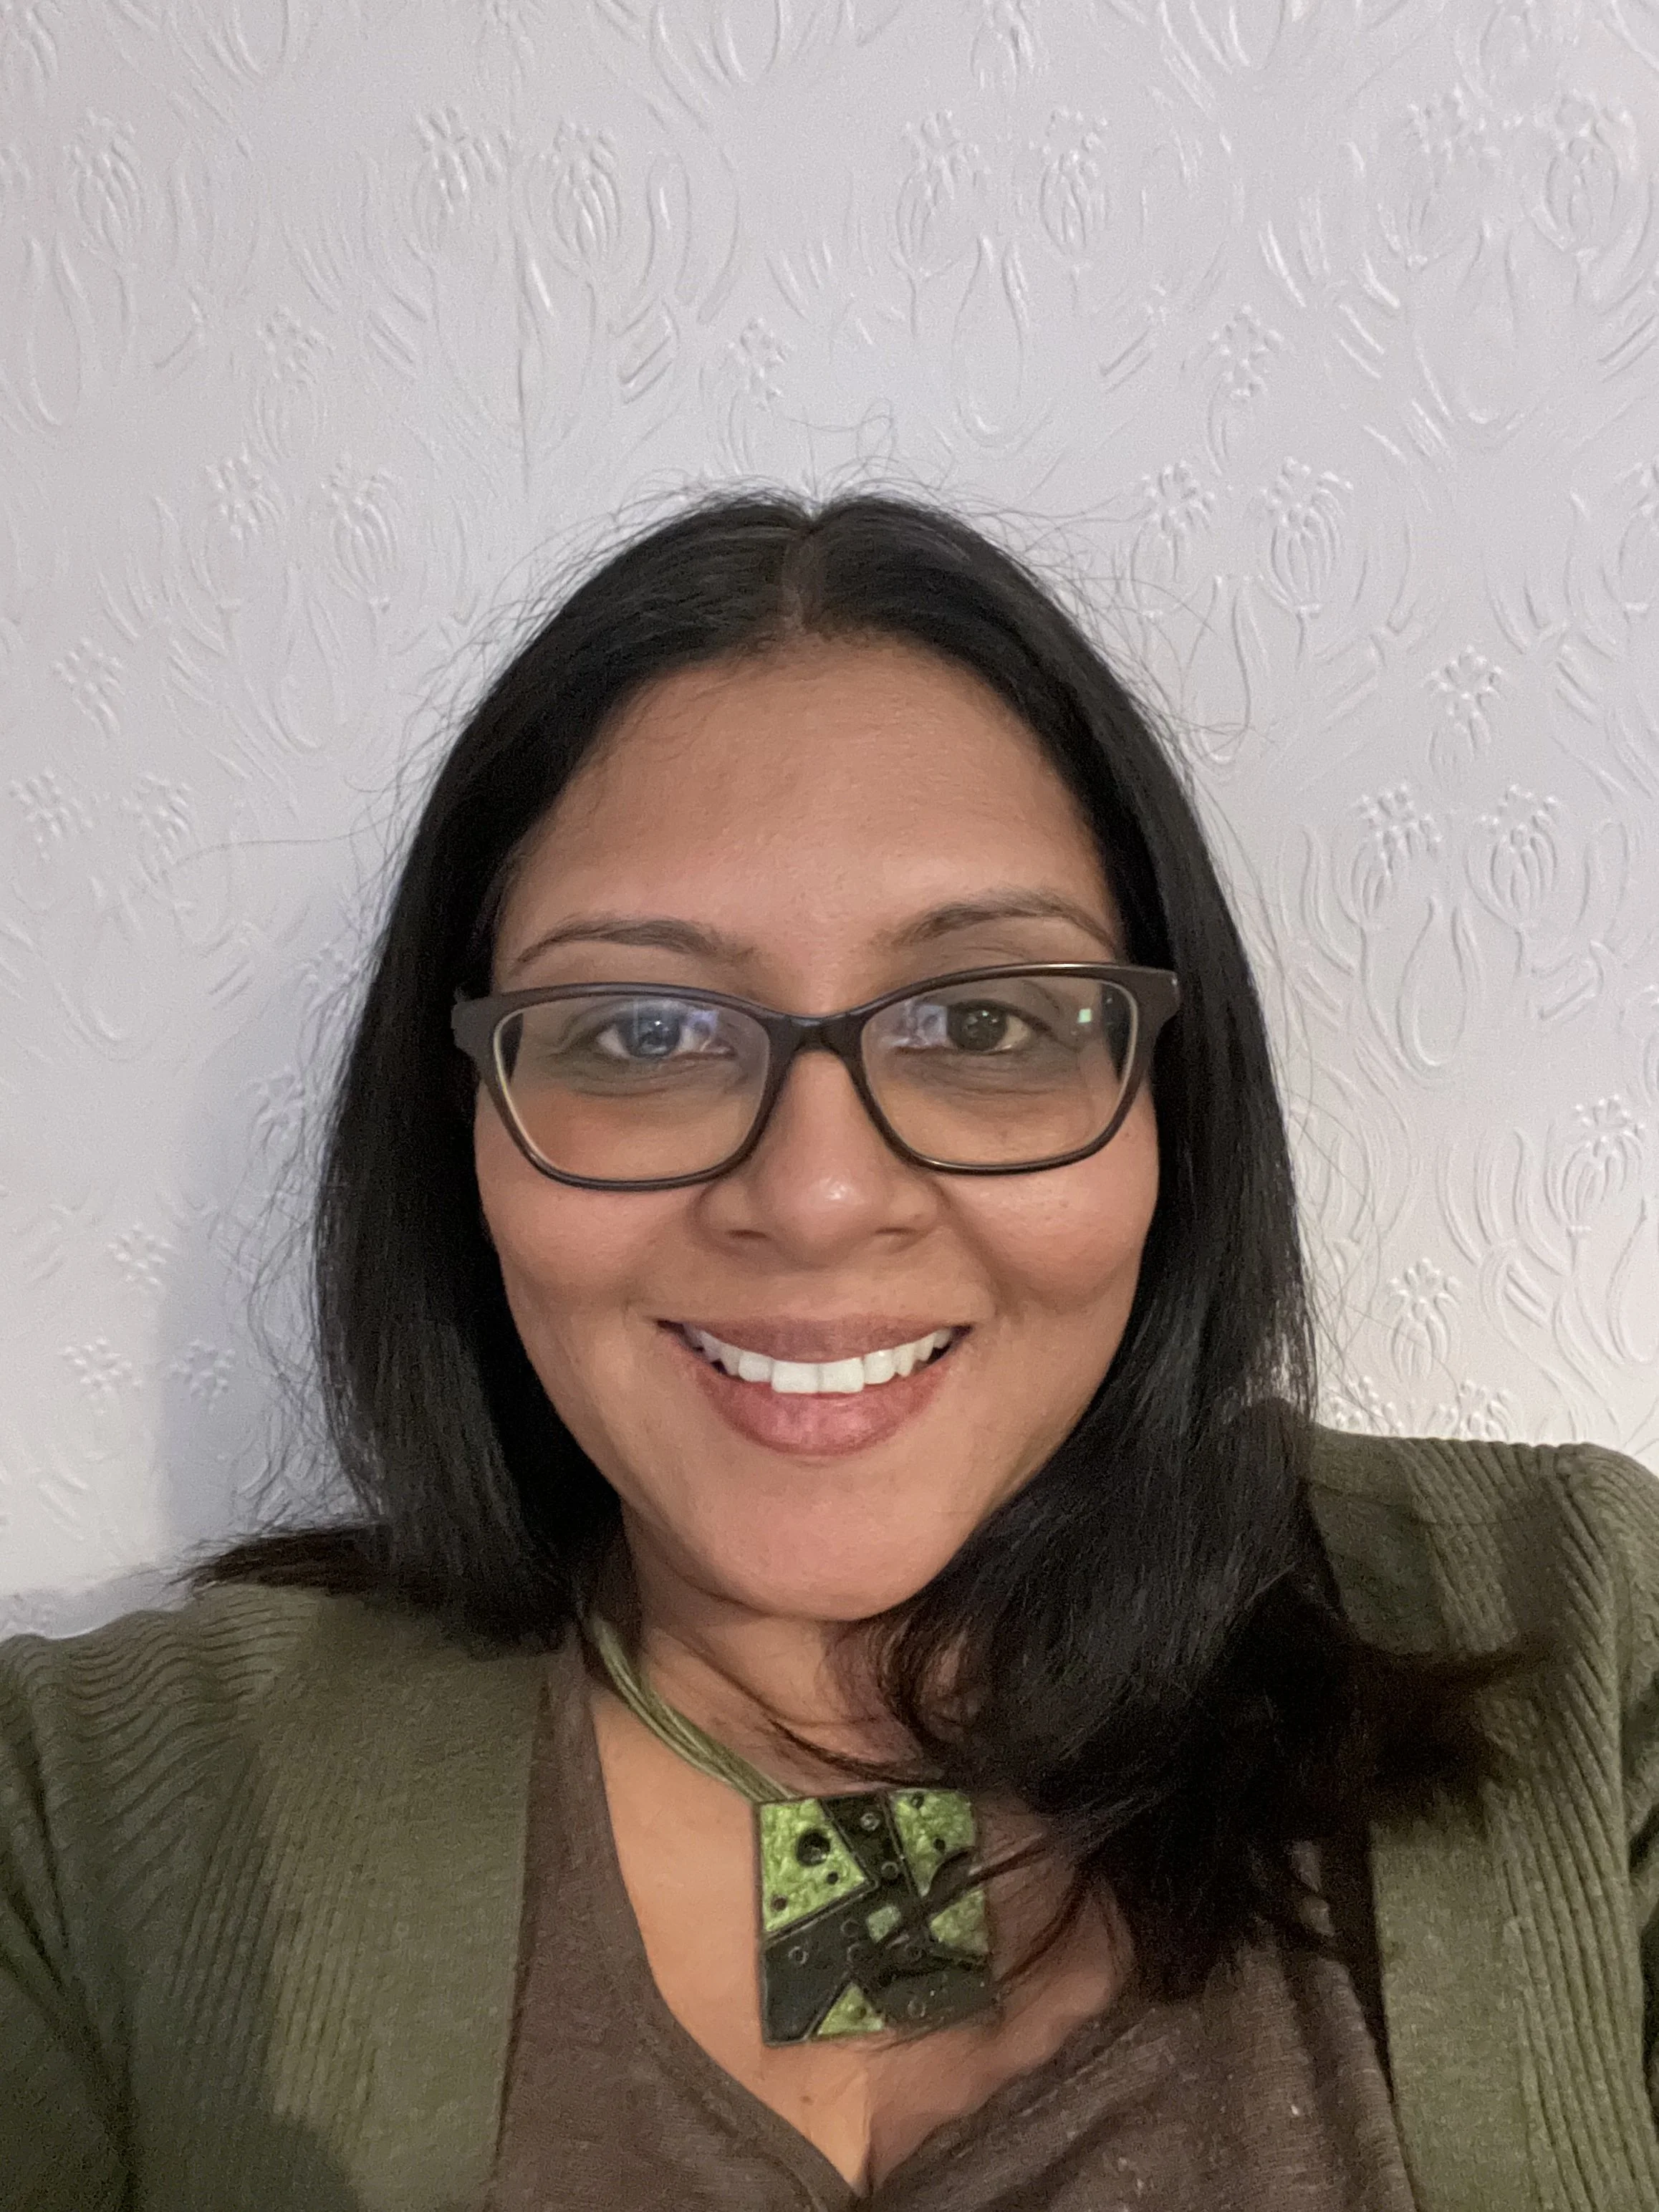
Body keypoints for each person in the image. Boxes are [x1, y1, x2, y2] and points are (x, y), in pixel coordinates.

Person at [2, 492, 1656, 2212]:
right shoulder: (92, 1815)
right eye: (641, 1029)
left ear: (1173, 1102)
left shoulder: (1591, 1643)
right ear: (463, 1126)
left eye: (984, 1020)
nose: (815, 1192)